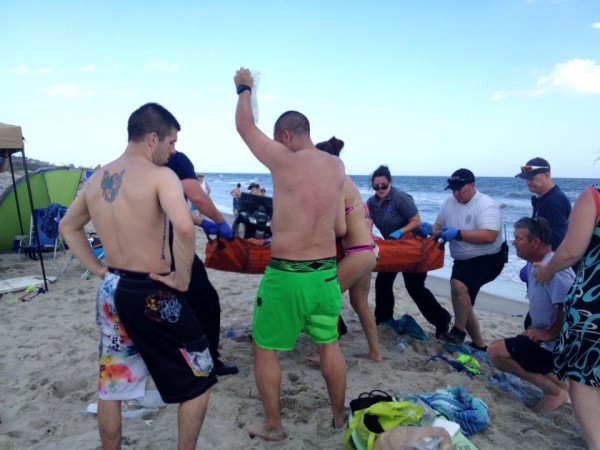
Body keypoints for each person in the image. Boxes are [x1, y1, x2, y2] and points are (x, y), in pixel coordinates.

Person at [59, 103, 216, 450]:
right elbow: (185, 230)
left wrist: (99, 269)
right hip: (153, 290)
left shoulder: (97, 179)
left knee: (112, 383)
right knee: (200, 376)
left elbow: (67, 226)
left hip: (113, 288)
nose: (173, 151)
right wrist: (181, 279)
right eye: (172, 143)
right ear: (152, 137)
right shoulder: (162, 177)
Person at [234, 67, 348, 441]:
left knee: (265, 348)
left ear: (285, 136)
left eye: (278, 140)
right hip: (327, 274)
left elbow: (244, 128)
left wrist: (244, 88)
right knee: (328, 345)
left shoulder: (285, 159)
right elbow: (339, 227)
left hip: (287, 274)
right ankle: (337, 418)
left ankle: (273, 427)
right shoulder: (337, 165)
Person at [535, 182, 600, 449]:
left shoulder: (594, 196)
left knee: (584, 376)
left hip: (594, 303)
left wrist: (549, 270)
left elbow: (572, 250)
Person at [488, 217, 573, 413]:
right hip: (542, 336)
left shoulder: (555, 270)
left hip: (557, 345)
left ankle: (554, 392)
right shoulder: (535, 263)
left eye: (519, 238)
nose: (513, 242)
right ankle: (559, 385)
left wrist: (549, 334)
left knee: (496, 352)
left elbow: (568, 306)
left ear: (535, 242)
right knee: (511, 347)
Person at [167, 151, 238, 377]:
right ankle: (208, 362)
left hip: (144, 250)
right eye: (172, 141)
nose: (173, 146)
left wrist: (201, 222)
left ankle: (178, 358)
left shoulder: (138, 168)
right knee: (206, 302)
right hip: (173, 248)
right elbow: (197, 197)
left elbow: (172, 207)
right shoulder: (176, 159)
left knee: (173, 305)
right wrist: (219, 221)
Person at [366, 165, 451, 338]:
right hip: (392, 248)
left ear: (390, 182)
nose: (380, 189)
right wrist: (367, 236)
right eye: (376, 186)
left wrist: (401, 231)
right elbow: (369, 221)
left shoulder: (401, 198)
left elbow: (416, 221)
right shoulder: (372, 202)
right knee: (383, 281)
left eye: (384, 185)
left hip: (413, 247)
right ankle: (383, 318)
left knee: (415, 287)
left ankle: (441, 319)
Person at [317, 136, 382, 362]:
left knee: (325, 300)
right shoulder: (347, 180)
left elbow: (340, 228)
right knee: (359, 304)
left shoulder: (335, 184)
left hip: (358, 252)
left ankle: (327, 355)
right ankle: (375, 353)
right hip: (369, 250)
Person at [434, 168, 506, 349]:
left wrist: (458, 234)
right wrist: (431, 231)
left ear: (473, 185)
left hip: (489, 258)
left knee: (459, 286)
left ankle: (458, 332)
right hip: (462, 260)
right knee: (462, 302)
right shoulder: (449, 202)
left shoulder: (486, 205)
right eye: (453, 189)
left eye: (460, 189)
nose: (456, 193)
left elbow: (489, 235)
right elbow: (438, 226)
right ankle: (480, 344)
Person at [515, 157, 571, 251]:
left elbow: (557, 240)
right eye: (526, 179)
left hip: (550, 262)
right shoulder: (545, 198)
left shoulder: (554, 201)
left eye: (532, 178)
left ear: (547, 175)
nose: (528, 182)